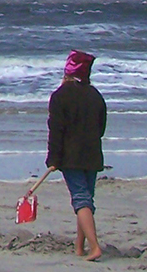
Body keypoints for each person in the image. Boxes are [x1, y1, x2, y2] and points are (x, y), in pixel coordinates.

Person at [48, 50, 108, 261]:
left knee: (81, 199)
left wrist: (53, 159)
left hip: (71, 157)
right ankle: (80, 247)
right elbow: (101, 128)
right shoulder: (95, 95)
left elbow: (56, 130)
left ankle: (94, 247)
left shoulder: (59, 96)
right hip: (93, 154)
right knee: (86, 198)